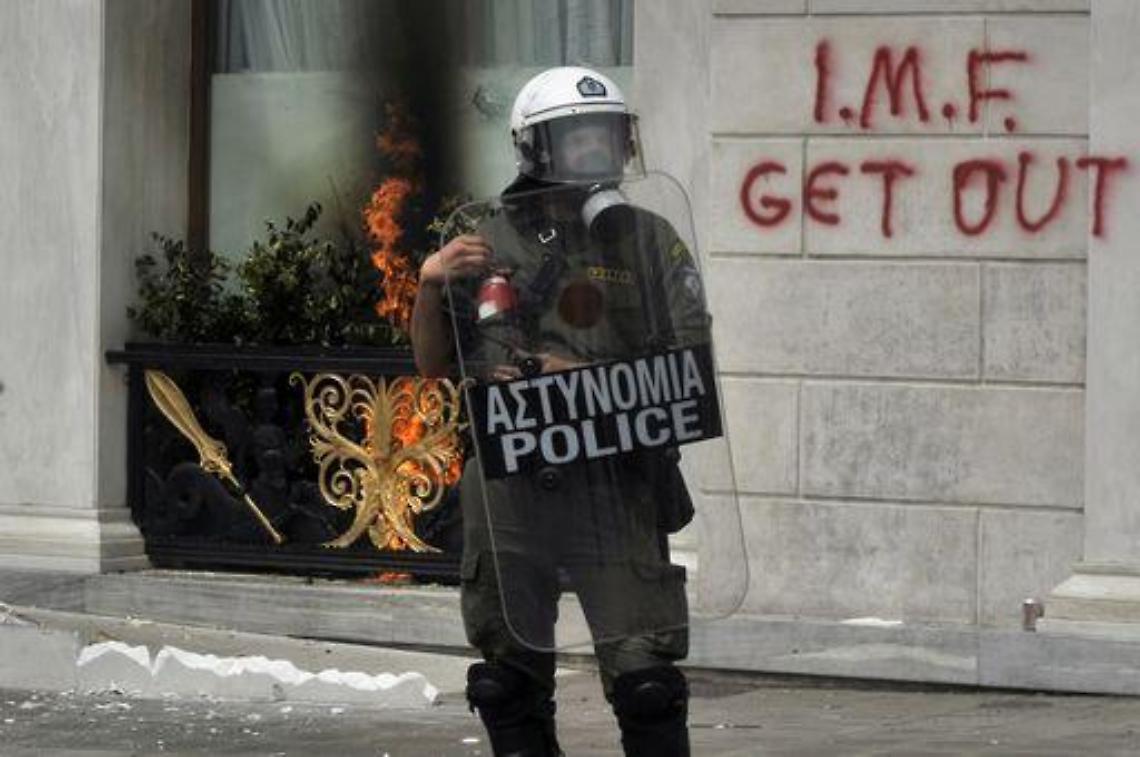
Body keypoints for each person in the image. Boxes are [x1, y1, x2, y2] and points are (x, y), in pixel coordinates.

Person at [411, 66, 710, 757]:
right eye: (577, 138)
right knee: (505, 683)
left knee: (648, 684)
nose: (595, 151)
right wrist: (429, 283)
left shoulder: (647, 239)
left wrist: (587, 377)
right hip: (513, 483)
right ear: (535, 148)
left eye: (606, 135)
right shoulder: (486, 240)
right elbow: (434, 364)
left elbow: (690, 364)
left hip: (617, 475)